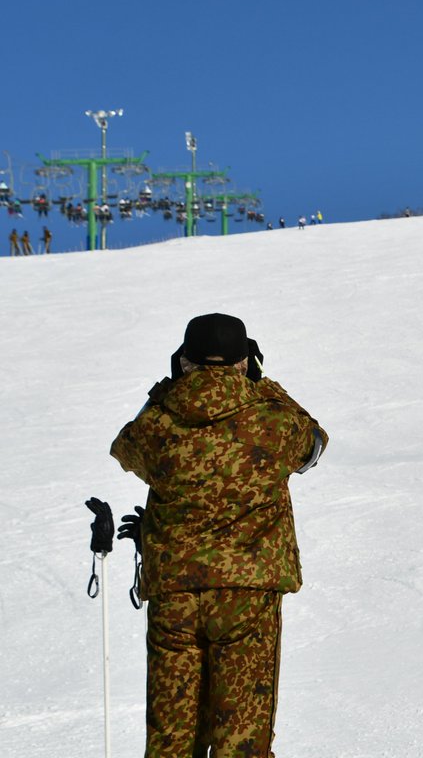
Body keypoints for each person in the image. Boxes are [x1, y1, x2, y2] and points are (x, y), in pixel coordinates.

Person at [110, 313, 328, 757]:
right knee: (241, 737)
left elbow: (124, 448)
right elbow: (314, 444)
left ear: (183, 361)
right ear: (245, 361)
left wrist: (166, 390)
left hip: (174, 595)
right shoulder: (272, 420)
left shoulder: (157, 424)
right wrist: (264, 384)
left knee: (171, 739)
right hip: (248, 594)